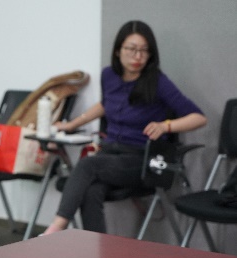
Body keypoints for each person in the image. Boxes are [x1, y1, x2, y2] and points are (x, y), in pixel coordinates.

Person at [43, 20, 207, 235]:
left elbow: (198, 118)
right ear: (118, 50)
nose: (137, 56)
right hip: (110, 154)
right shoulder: (108, 75)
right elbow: (106, 104)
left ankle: (56, 228)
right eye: (131, 49)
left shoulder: (157, 81)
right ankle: (97, 249)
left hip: (140, 159)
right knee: (91, 190)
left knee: (87, 165)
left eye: (144, 51)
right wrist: (71, 125)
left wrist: (166, 126)